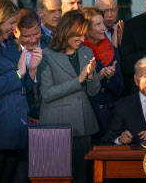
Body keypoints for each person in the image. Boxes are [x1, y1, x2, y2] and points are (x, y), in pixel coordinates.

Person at [38, 10, 100, 182]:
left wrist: (90, 77)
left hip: (83, 127)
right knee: (57, 177)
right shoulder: (46, 55)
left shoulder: (86, 52)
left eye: (83, 35)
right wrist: (79, 80)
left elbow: (94, 91)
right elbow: (47, 93)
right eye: (78, 35)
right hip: (57, 127)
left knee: (82, 177)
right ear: (66, 31)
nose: (81, 39)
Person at [0, 0, 29, 182]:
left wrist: (31, 70)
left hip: (16, 130)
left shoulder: (12, 44)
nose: (14, 28)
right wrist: (19, 74)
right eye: (11, 23)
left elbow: (23, 82)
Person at [82, 7, 124, 144]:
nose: (104, 28)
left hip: (109, 116)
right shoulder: (79, 52)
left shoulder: (112, 50)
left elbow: (120, 88)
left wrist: (110, 77)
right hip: (87, 115)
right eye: (98, 24)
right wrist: (99, 76)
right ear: (86, 29)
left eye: (103, 23)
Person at [17, 8, 51, 122]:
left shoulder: (53, 45)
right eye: (27, 36)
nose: (32, 40)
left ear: (40, 24)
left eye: (36, 33)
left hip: (51, 115)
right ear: (16, 32)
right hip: (22, 117)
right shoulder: (10, 52)